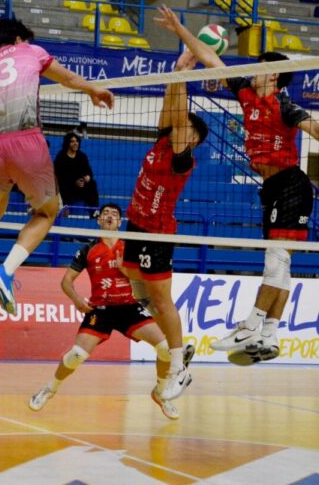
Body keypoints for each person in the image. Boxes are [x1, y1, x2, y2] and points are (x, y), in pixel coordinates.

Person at [155, 6, 319, 365]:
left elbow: (317, 130)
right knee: (281, 264)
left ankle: (249, 326)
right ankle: (270, 335)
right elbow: (212, 60)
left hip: (291, 185)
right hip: (270, 188)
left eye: (261, 66)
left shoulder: (285, 107)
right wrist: (180, 29)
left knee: (275, 260)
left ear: (273, 76)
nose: (254, 68)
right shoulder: (244, 91)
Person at [0, 19, 114, 313]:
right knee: (48, 211)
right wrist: (92, 89)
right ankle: (5, 272)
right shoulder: (30, 50)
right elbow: (67, 78)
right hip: (26, 141)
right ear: (19, 38)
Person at [28, 203, 193, 420]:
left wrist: (126, 269)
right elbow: (66, 281)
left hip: (129, 307)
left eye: (114, 214)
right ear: (98, 220)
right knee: (76, 355)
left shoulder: (130, 248)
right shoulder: (88, 250)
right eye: (105, 213)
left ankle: (161, 393)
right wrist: (77, 300)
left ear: (119, 222)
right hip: (101, 310)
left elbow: (146, 281)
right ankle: (49, 389)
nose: (109, 217)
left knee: (165, 349)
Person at [120, 48, 209, 401]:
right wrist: (178, 70)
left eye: (185, 130)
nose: (179, 128)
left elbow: (181, 117)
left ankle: (178, 366)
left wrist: (186, 77)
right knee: (131, 278)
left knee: (162, 299)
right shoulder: (162, 139)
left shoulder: (183, 161)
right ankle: (173, 344)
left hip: (156, 233)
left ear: (193, 141)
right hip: (135, 226)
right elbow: (172, 112)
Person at [54, 131, 100, 216]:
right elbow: (59, 176)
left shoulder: (82, 156)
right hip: (66, 186)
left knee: (92, 184)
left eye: (77, 141)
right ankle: (65, 208)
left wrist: (88, 177)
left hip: (80, 186)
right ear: (67, 143)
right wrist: (74, 182)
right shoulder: (61, 156)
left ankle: (94, 211)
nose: (75, 143)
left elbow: (88, 171)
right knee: (63, 186)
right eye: (72, 141)